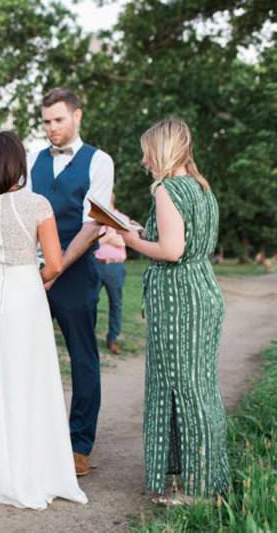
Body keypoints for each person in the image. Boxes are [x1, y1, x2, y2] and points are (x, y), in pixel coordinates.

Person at [0, 131, 87, 509]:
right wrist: (36, 277)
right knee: (29, 378)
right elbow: (56, 263)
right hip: (24, 290)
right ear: (18, 165)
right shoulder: (36, 204)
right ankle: (34, 467)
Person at [121, 117, 229, 503]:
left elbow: (171, 251)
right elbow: (179, 241)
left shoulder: (168, 189)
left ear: (161, 151)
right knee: (200, 387)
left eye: (147, 153)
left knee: (185, 389)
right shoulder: (201, 188)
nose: (144, 161)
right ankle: (205, 476)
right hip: (202, 291)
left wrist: (133, 242)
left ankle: (197, 490)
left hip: (180, 299)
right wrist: (137, 232)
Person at [28, 88, 113, 477]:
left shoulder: (99, 161)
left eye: (58, 120)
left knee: (82, 357)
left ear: (77, 116)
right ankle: (33, 437)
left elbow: (94, 223)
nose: (51, 128)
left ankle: (79, 444)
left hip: (76, 273)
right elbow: (25, 215)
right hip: (31, 272)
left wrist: (56, 267)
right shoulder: (33, 160)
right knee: (28, 354)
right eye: (46, 121)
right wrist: (34, 266)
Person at [94, 193, 129, 355]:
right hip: (96, 264)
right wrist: (109, 237)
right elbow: (91, 242)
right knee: (89, 302)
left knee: (116, 303)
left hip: (115, 267)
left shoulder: (122, 219)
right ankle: (88, 335)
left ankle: (112, 338)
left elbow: (124, 241)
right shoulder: (94, 220)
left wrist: (105, 238)